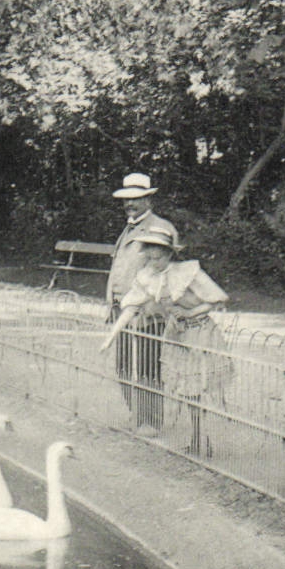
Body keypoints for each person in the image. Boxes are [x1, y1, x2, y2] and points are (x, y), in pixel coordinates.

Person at [99, 222, 229, 447]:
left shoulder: (188, 272)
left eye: (158, 258)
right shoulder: (148, 276)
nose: (154, 263)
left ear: (169, 254)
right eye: (150, 258)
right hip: (177, 333)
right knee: (187, 389)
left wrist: (189, 312)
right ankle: (198, 440)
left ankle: (201, 439)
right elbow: (130, 307)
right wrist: (110, 337)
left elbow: (218, 299)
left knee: (197, 387)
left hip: (199, 331)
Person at [103, 173, 175, 422]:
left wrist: (153, 304)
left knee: (148, 367)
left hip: (147, 311)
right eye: (126, 200)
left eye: (135, 199)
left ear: (148, 200)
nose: (130, 204)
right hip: (120, 309)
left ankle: (151, 420)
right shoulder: (128, 229)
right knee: (122, 366)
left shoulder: (160, 228)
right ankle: (137, 415)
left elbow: (168, 271)